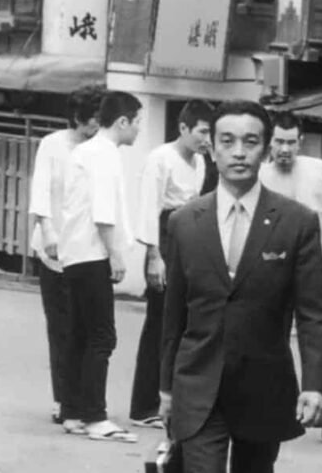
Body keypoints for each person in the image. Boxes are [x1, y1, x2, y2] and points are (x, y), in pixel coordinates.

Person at [159, 101, 322, 473]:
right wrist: (165, 389)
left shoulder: (297, 222)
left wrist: (316, 384)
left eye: (251, 142)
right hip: (199, 388)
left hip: (263, 386)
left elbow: (313, 313)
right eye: (227, 141)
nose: (239, 152)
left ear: (265, 148)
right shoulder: (183, 223)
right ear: (210, 149)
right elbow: (174, 314)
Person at [260, 111, 322, 448]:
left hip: (313, 267)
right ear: (270, 143)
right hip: (270, 269)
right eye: (279, 142)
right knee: (270, 341)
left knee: (317, 341)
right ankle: (273, 413)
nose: (284, 149)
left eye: (290, 142)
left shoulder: (319, 170)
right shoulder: (260, 174)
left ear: (300, 142)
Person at [58, 91, 143, 443]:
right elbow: (104, 212)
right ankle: (95, 416)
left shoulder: (84, 151)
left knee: (80, 334)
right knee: (102, 337)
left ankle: (73, 411)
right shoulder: (104, 155)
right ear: (122, 122)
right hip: (93, 253)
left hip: (74, 253)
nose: (138, 130)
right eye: (137, 122)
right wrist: (116, 255)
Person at [130, 100, 214, 429]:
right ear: (183, 128)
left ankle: (170, 398)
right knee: (159, 323)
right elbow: (150, 208)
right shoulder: (160, 159)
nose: (207, 139)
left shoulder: (201, 163)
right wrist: (154, 256)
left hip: (187, 239)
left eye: (210, 132)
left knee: (182, 323)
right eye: (202, 131)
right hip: (163, 240)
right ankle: (143, 405)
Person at [28, 85, 104, 425]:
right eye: (93, 121)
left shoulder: (100, 151)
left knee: (85, 328)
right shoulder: (53, 145)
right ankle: (65, 399)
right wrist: (48, 234)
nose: (96, 128)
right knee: (61, 327)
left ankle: (81, 399)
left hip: (86, 251)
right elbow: (41, 191)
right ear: (77, 118)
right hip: (54, 249)